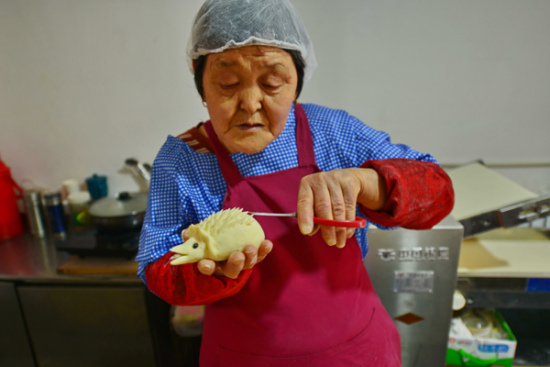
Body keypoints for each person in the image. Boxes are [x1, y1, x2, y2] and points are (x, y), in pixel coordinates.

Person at [136, 0, 454, 366]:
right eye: (228, 83)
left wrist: (362, 181)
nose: (250, 104)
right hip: (245, 356)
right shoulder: (184, 159)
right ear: (200, 80)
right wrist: (211, 274)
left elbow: (439, 192)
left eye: (271, 83)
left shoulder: (333, 131)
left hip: (358, 351)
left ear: (297, 83)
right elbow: (156, 265)